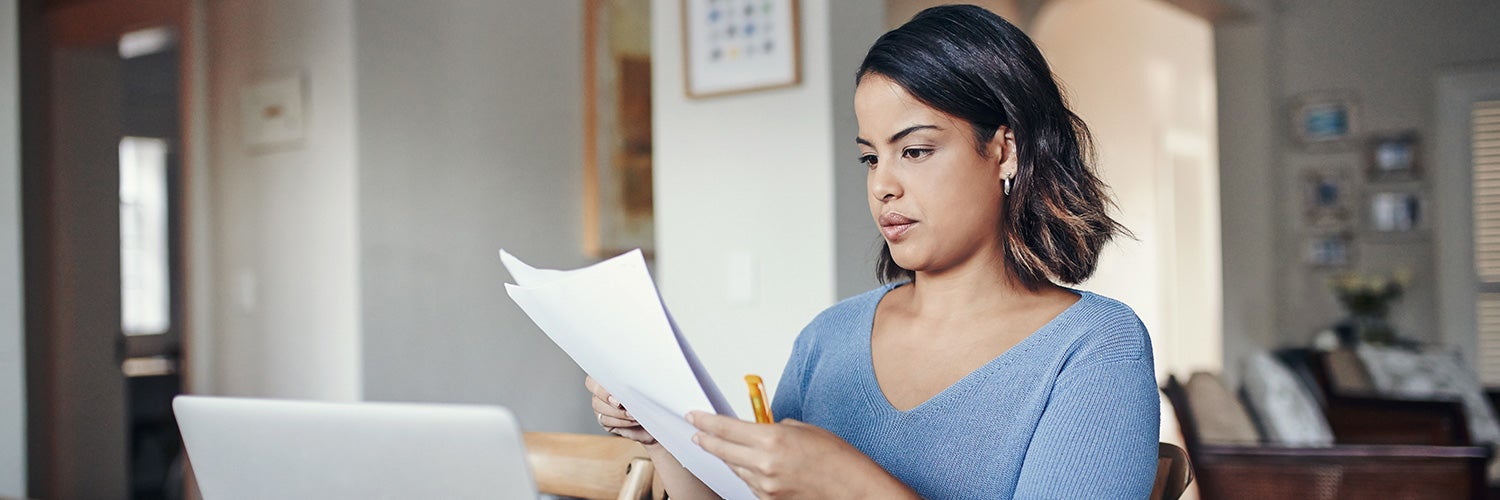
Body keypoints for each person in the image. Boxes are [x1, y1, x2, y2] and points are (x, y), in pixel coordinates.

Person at [587, 4, 1159, 498]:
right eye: (871, 157)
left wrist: (850, 485)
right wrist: (659, 434)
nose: (883, 183)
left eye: (914, 151)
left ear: (1004, 151)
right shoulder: (827, 339)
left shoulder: (1094, 349)